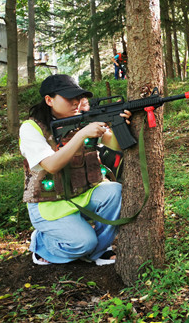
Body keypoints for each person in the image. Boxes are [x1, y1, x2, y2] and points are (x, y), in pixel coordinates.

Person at [19, 74, 131, 266]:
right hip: (47, 204)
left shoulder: (82, 119)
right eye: (69, 98)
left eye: (78, 98)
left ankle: (99, 250)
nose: (76, 103)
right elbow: (51, 165)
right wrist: (81, 135)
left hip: (81, 193)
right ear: (49, 100)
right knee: (83, 242)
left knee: (114, 191)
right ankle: (42, 244)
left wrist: (120, 123)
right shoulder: (31, 128)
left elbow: (116, 145)